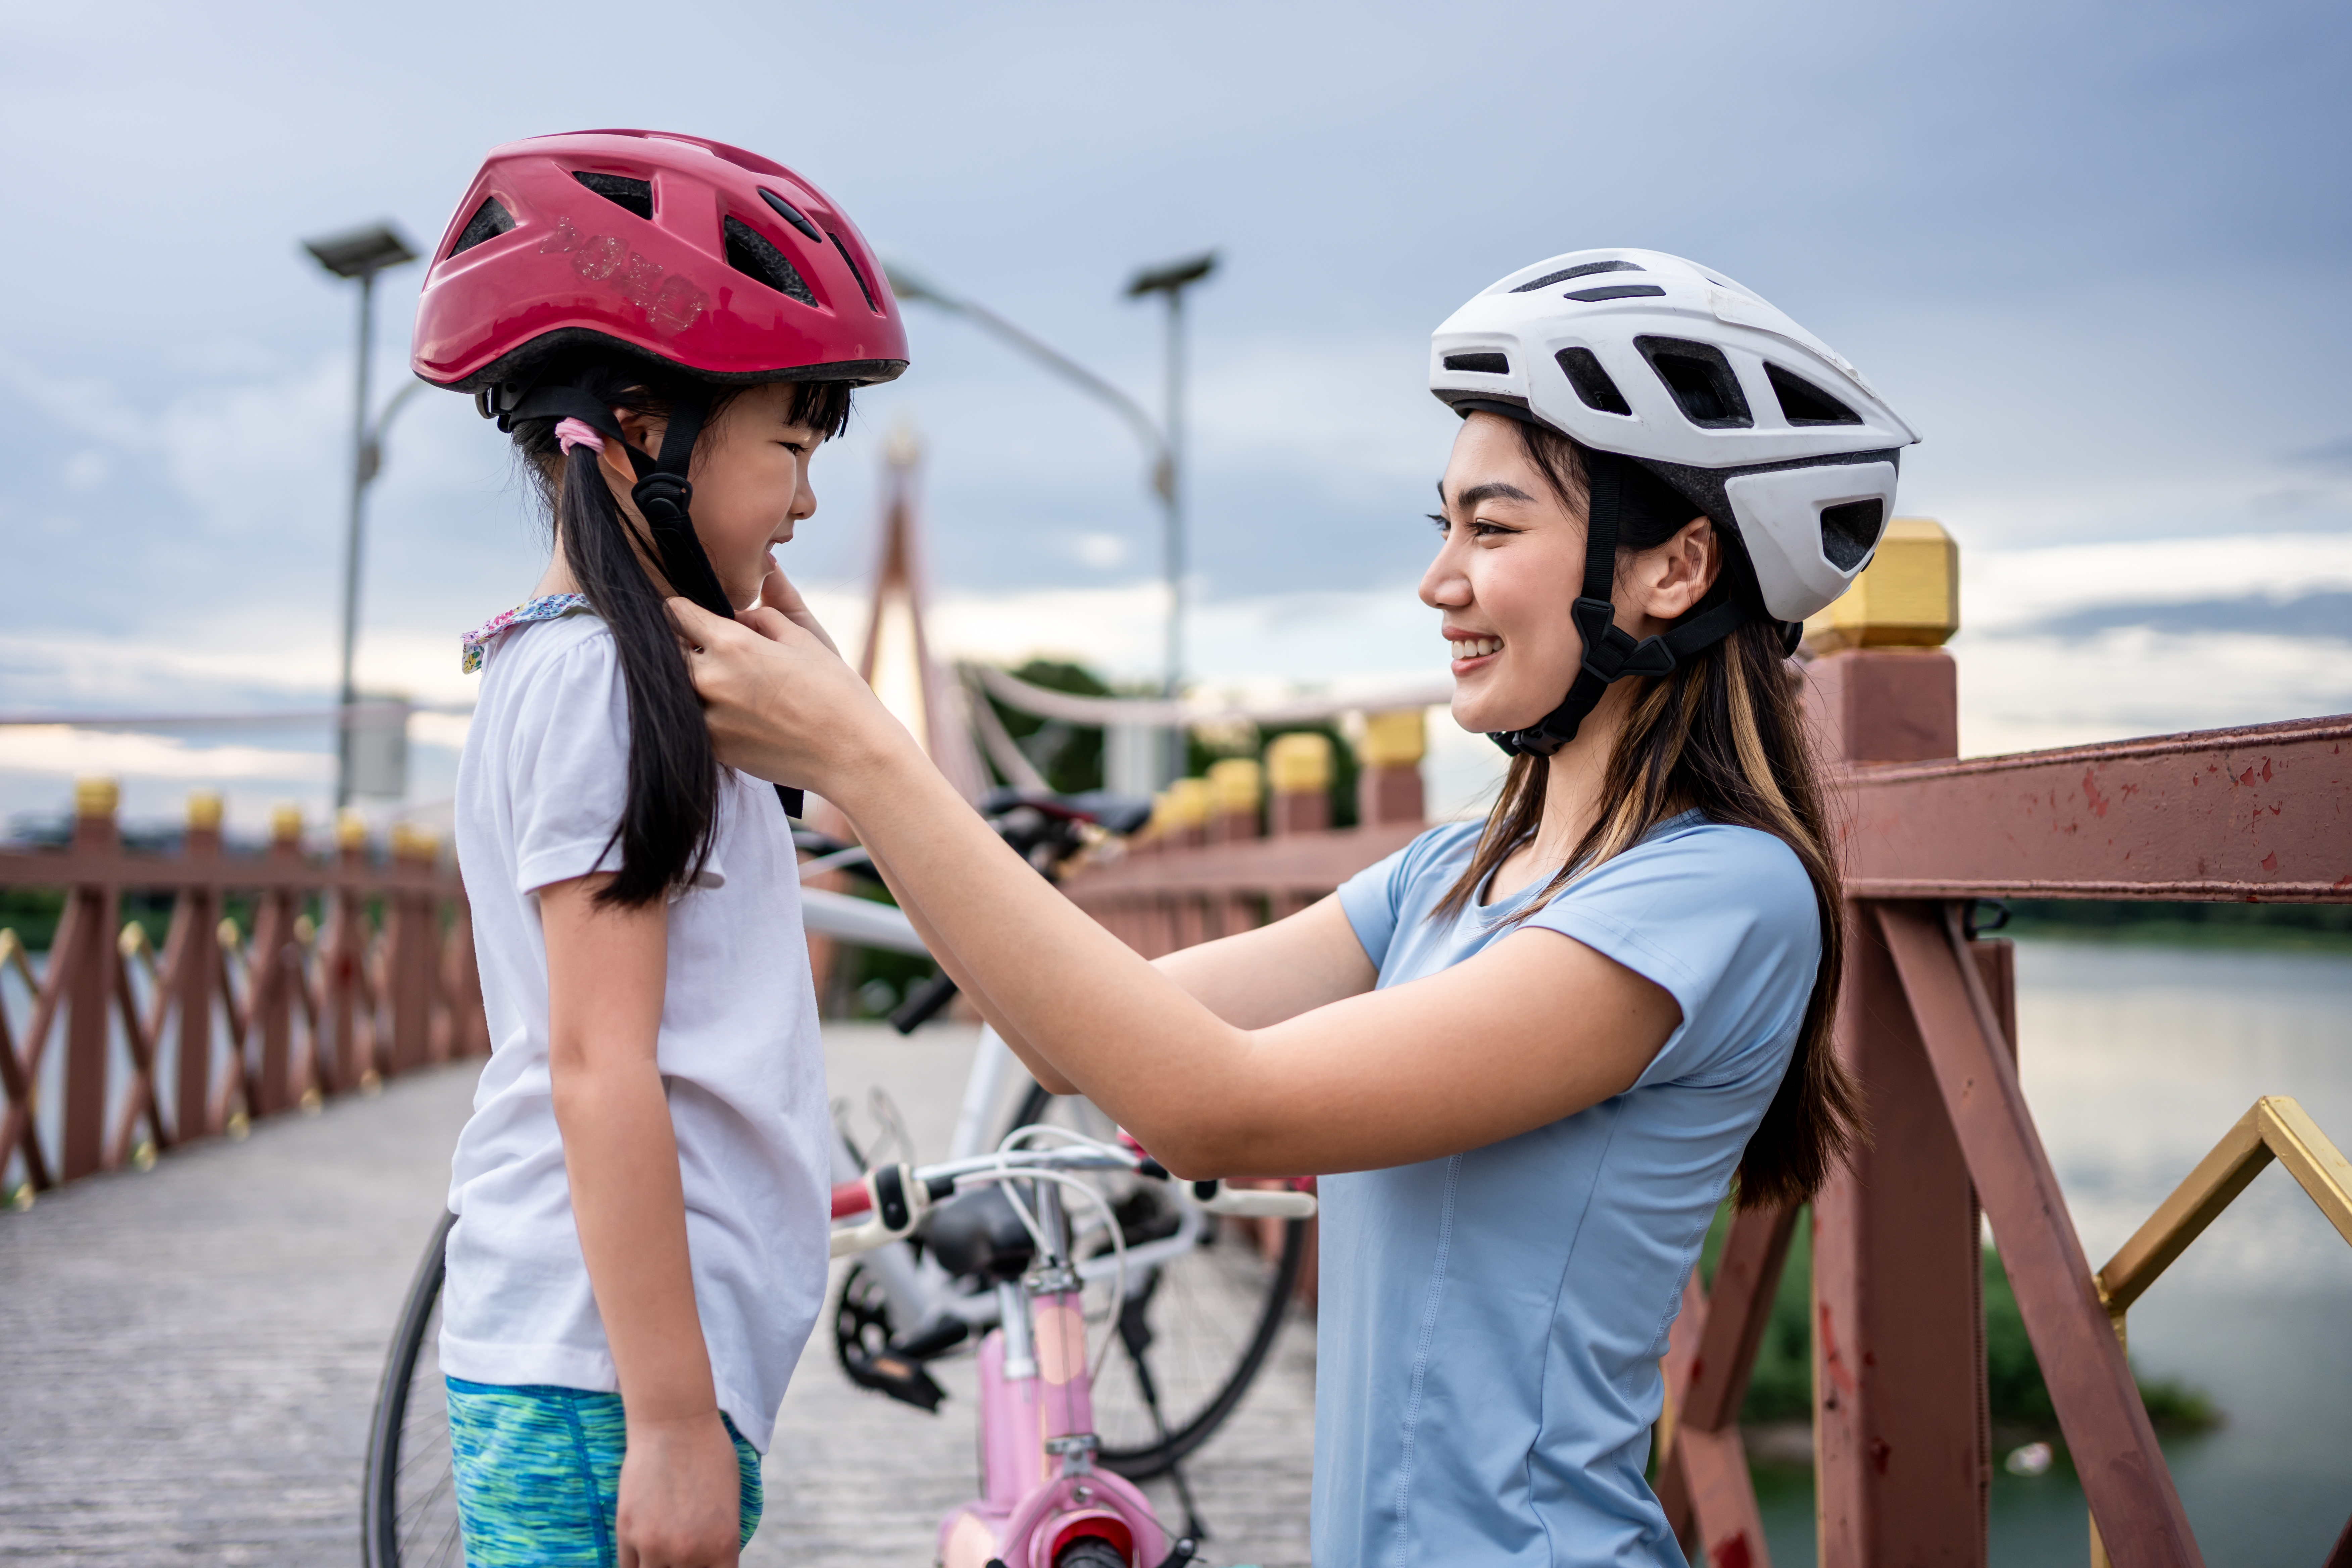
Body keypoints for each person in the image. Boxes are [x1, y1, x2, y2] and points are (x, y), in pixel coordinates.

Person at [676, 248, 1916, 1565]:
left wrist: (872, 758)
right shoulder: (1450, 875)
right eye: (1440, 526)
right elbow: (1080, 1039)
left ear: (1673, 571)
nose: (1441, 581)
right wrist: (868, 792)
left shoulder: (1718, 891)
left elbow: (1216, 1104)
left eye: (1491, 531)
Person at [413, 130, 905, 1567]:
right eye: (794, 445)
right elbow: (599, 1063)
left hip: (613, 1360)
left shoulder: (612, 672)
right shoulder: (602, 690)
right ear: (640, 429)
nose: (809, 501)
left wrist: (851, 741)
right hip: (606, 1373)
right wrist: (675, 1421)